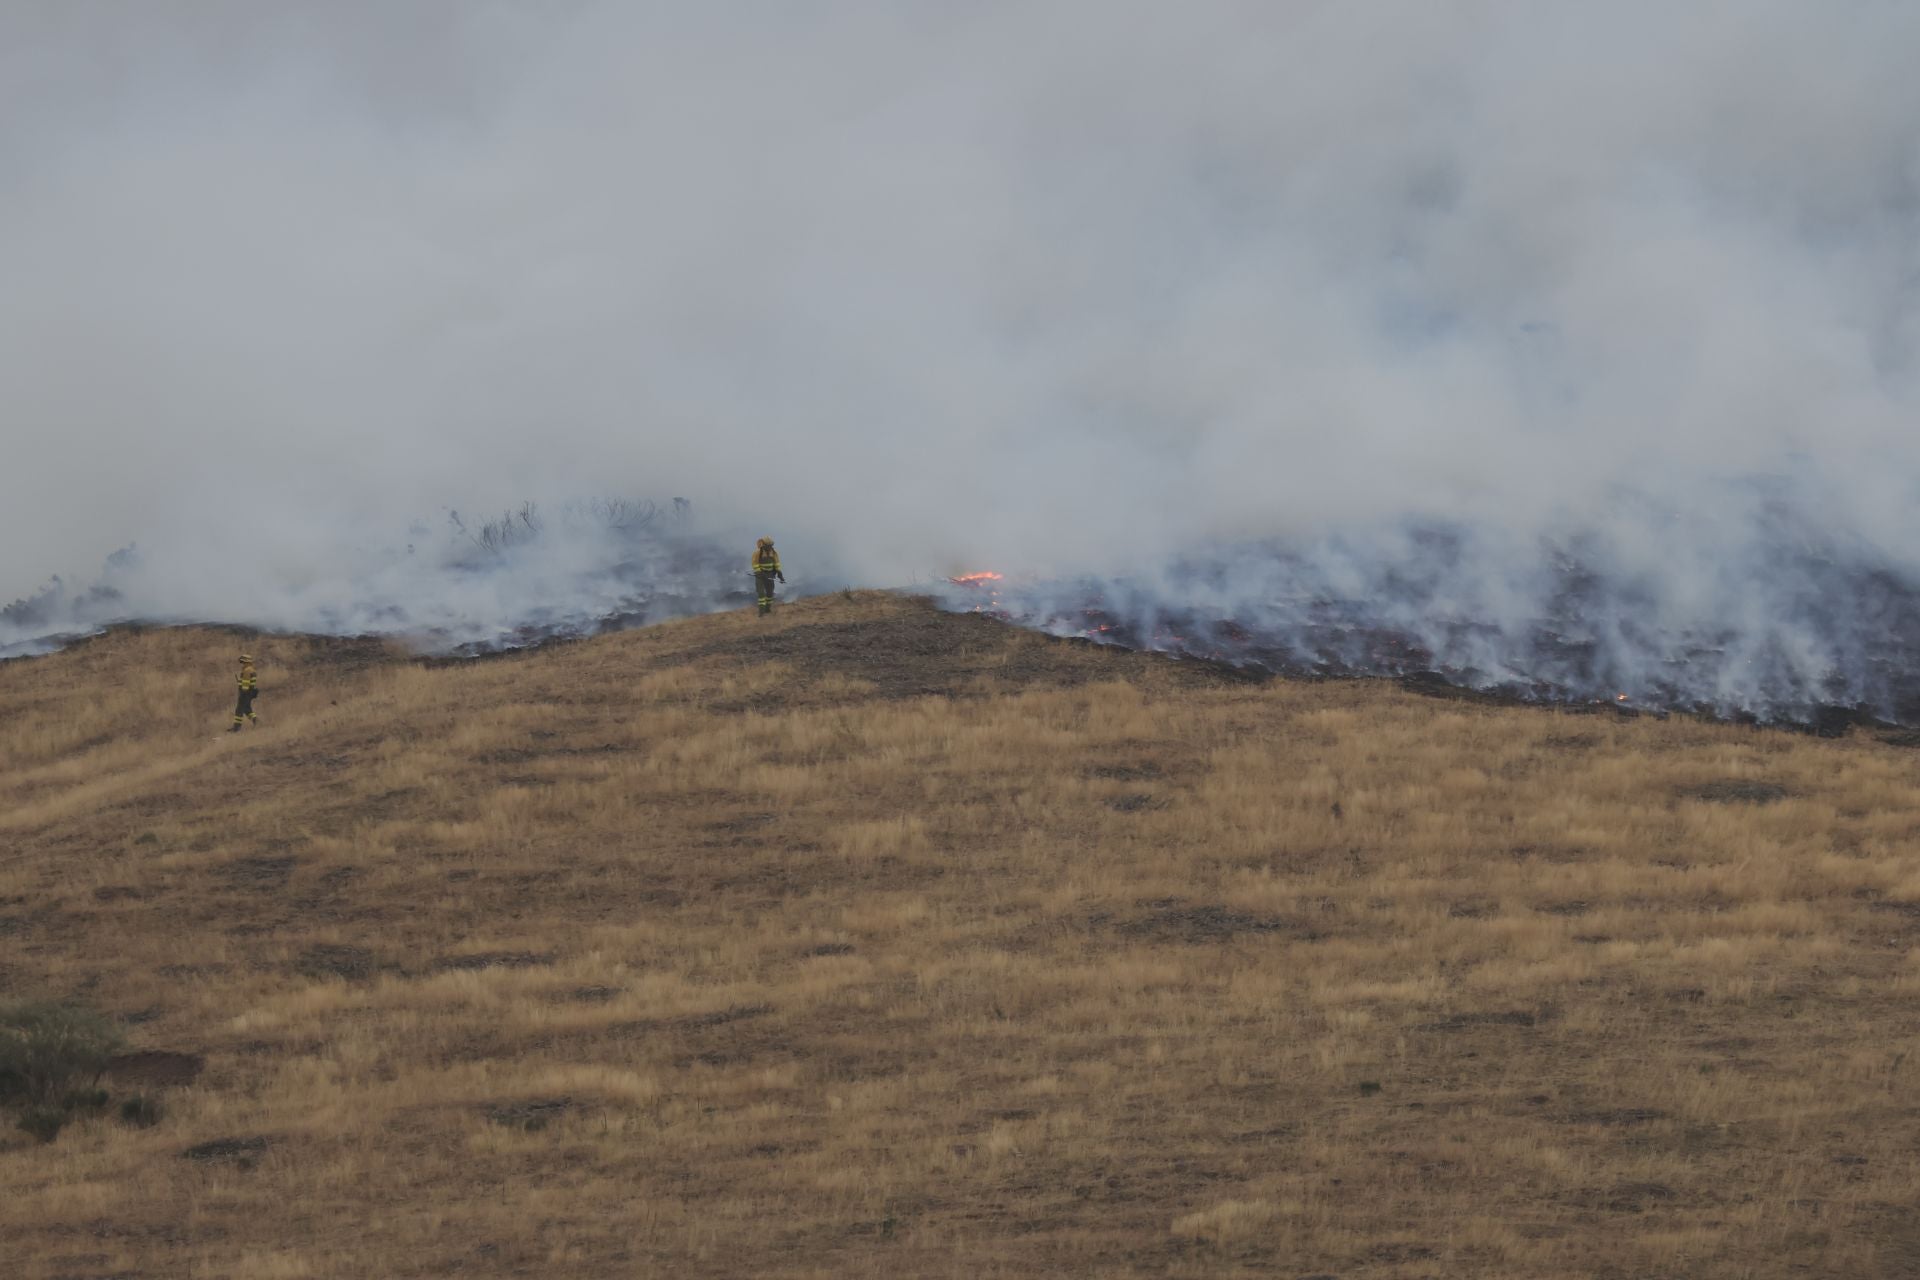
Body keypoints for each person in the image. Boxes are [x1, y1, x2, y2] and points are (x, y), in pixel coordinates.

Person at [752, 537, 785, 615]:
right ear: (764, 545)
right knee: (761, 594)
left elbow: (777, 564)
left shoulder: (774, 552)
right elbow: (755, 564)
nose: (770, 547)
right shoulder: (757, 553)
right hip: (760, 575)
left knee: (770, 593)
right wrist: (760, 572)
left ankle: (767, 609)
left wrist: (780, 575)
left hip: (770, 574)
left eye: (771, 545)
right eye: (768, 545)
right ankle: (761, 612)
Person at [228, 653, 259, 732]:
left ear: (247, 662)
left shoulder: (247, 671)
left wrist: (242, 692)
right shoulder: (252, 669)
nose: (242, 664)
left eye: (243, 662)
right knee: (247, 710)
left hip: (245, 693)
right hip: (250, 693)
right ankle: (257, 721)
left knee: (239, 710)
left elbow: (245, 684)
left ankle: (236, 728)